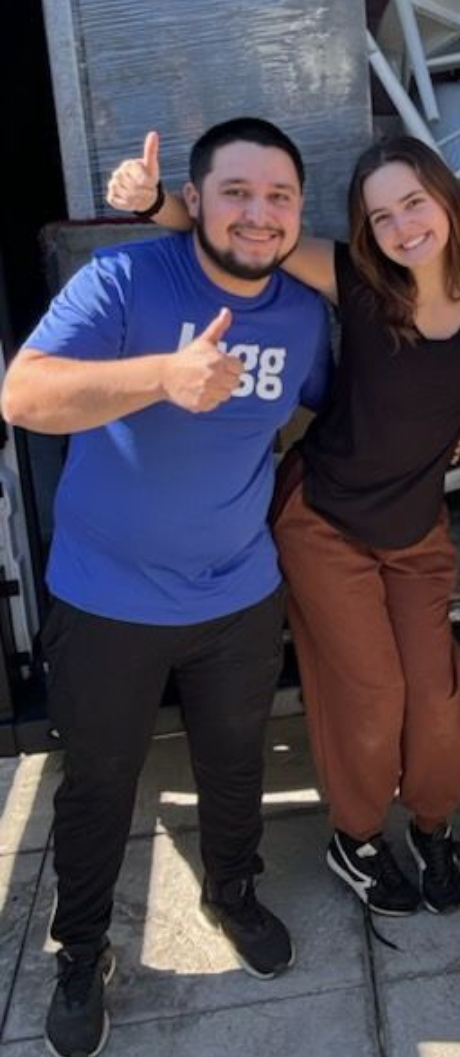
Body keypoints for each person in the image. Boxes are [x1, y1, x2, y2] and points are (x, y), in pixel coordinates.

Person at [106, 66, 460, 920]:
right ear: (365, 230)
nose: (402, 226)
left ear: (446, 201)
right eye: (381, 215)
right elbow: (241, 233)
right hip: (324, 521)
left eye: (414, 204)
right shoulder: (355, 281)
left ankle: (434, 826)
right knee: (368, 696)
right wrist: (153, 204)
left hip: (415, 528)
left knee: (438, 695)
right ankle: (358, 836)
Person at [2, 118, 333, 1057]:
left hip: (238, 593)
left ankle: (233, 892)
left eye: (278, 197)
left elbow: (332, 405)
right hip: (109, 599)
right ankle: (80, 950)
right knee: (100, 783)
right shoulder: (126, 279)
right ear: (195, 200)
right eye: (235, 192)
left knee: (235, 764)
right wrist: (161, 377)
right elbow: (24, 396)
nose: (258, 214)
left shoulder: (304, 313)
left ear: (298, 211)